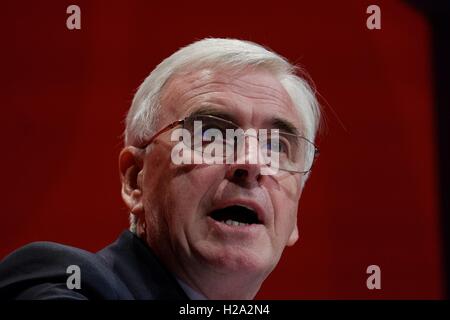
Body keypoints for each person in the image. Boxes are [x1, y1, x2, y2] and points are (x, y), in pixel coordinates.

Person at [0, 38, 321, 300]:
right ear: (135, 179)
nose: (251, 164)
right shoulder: (63, 283)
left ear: (294, 218)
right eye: (211, 135)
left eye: (276, 147)